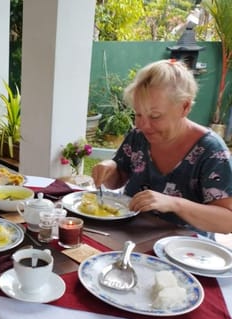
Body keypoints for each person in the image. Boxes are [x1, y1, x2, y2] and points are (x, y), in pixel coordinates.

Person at [92, 59, 232, 235]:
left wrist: (174, 203)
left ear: (185, 107)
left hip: (184, 252)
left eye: (155, 116)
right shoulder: (138, 136)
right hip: (130, 239)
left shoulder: (211, 151)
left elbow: (228, 222)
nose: (143, 125)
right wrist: (110, 169)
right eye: (138, 114)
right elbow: (117, 180)